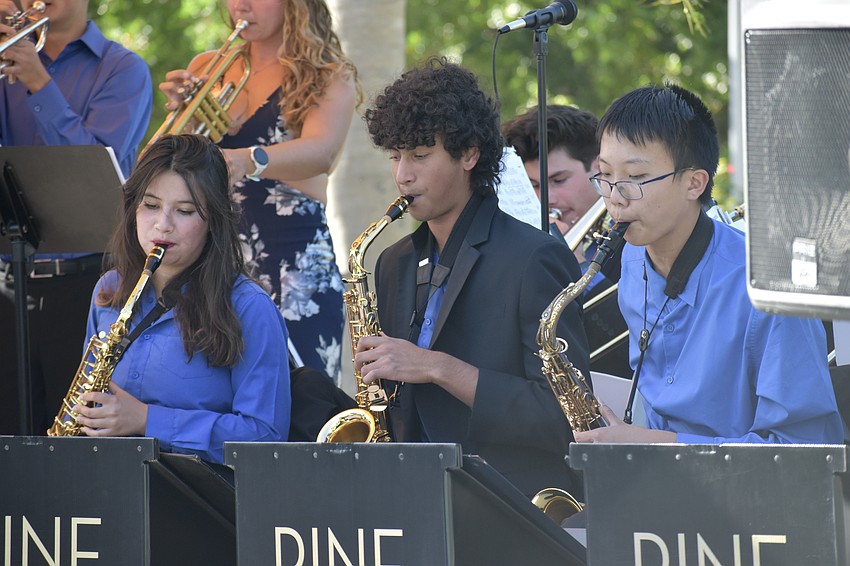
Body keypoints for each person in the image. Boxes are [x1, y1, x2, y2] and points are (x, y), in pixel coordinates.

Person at [358, 58, 591, 498]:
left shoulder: (535, 256)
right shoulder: (394, 262)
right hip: (414, 497)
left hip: (509, 504)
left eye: (420, 155)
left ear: (469, 154)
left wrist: (436, 367)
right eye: (395, 156)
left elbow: (564, 417)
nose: (402, 174)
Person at [574, 84, 844, 445]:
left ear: (694, 183)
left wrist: (652, 445)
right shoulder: (633, 258)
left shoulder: (768, 289)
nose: (615, 198)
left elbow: (805, 449)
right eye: (605, 175)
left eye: (636, 178)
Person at [159, 0, 360, 384]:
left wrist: (247, 159)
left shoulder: (327, 73)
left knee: (301, 399)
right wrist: (183, 120)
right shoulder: (208, 67)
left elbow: (323, 154)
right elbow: (177, 169)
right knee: (212, 389)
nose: (241, 5)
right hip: (214, 259)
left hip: (293, 263)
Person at [68, 134, 291, 464]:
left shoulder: (250, 307)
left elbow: (265, 436)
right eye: (151, 205)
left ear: (214, 219)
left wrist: (147, 420)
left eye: (185, 211)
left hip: (203, 505)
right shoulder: (109, 289)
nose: (162, 225)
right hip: (109, 489)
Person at [0, 0, 153, 434]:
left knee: (79, 440)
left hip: (89, 284)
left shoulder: (123, 69)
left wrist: (38, 82)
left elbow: (90, 164)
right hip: (10, 279)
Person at [503, 105, 631, 379]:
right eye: (534, 186)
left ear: (599, 169)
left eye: (558, 180)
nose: (545, 199)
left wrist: (578, 270)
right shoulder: (524, 243)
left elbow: (627, 345)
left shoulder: (633, 236)